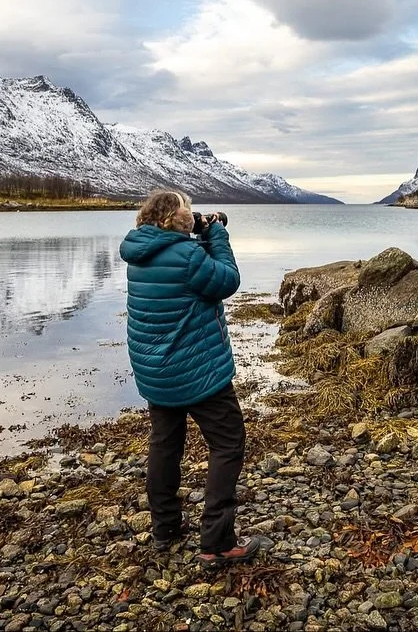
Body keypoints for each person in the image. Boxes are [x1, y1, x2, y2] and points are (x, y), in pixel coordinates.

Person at [118, 189, 261, 566]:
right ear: (178, 220)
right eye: (189, 210)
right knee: (228, 443)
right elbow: (227, 280)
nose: (193, 214)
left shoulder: (139, 254)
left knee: (165, 445)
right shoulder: (187, 255)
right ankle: (217, 541)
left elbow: (180, 272)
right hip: (198, 371)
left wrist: (198, 234)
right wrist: (217, 235)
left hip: (156, 371)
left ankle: (165, 529)